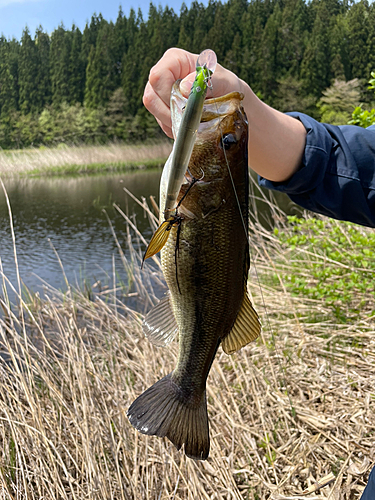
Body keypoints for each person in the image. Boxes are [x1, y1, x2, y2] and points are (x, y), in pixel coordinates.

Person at [143, 48, 375, 499]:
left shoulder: (189, 200)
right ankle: (188, 388)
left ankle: (186, 389)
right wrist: (238, 100)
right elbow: (336, 161)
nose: (227, 135)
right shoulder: (193, 196)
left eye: (230, 142)